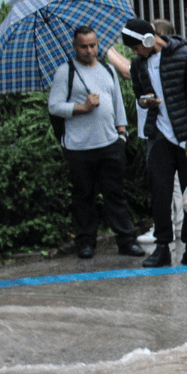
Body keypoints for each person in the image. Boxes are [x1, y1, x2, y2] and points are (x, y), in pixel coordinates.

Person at [47, 26, 144, 261]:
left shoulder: (108, 70)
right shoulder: (65, 72)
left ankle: (126, 240)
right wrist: (82, 107)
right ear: (75, 47)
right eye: (83, 46)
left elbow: (117, 102)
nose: (89, 50)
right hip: (79, 148)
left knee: (116, 195)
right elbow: (54, 106)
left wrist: (122, 133)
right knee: (84, 196)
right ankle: (86, 242)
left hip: (110, 143)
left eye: (93, 45)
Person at [124, 18, 187, 268]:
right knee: (160, 194)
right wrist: (145, 102)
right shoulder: (138, 64)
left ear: (147, 40)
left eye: (135, 46)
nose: (134, 51)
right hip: (159, 136)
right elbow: (139, 95)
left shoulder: (185, 55)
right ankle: (162, 247)